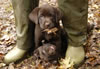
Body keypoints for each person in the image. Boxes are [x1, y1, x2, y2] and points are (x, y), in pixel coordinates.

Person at [4, 0, 88, 67]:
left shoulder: (56, 25)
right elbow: (38, 40)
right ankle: (24, 42)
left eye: (51, 16)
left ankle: (75, 40)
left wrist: (58, 53)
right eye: (42, 17)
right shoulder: (38, 26)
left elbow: (58, 41)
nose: (47, 22)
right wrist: (37, 49)